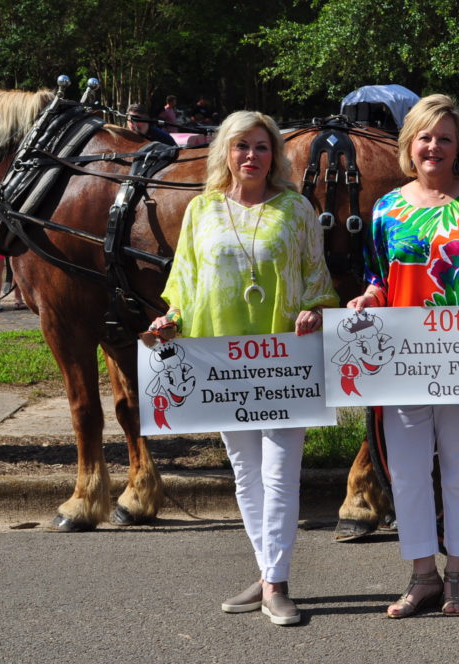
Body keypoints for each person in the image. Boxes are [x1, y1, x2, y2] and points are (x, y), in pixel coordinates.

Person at [146, 110, 338, 625]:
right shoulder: (202, 210)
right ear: (225, 153)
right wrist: (171, 319)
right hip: (222, 363)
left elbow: (317, 279)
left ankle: (276, 583)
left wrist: (313, 310)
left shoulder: (297, 209)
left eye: (261, 146)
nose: (251, 155)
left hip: (283, 361)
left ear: (274, 154)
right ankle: (266, 570)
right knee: (246, 473)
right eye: (240, 146)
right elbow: (184, 283)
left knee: (280, 473)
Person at [348, 94, 459, 618]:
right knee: (405, 473)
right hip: (405, 359)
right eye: (425, 137)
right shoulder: (387, 208)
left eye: (445, 138)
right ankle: (421, 575)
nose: (434, 147)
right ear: (411, 145)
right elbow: (378, 281)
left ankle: (457, 574)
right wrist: (366, 299)